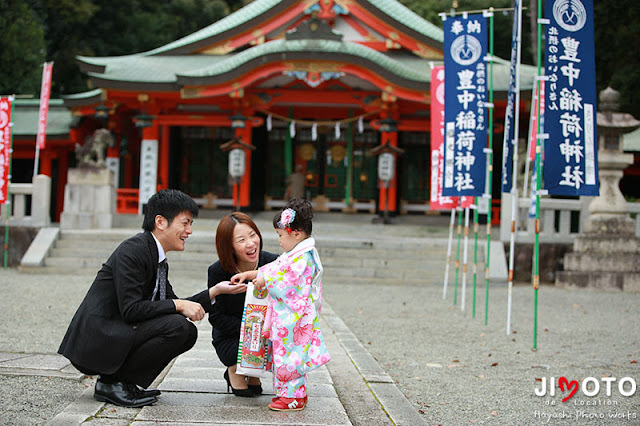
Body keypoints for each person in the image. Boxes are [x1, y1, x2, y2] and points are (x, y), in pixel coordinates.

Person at [58, 189, 244, 408]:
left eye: (190, 224)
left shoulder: (156, 256)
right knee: (179, 328)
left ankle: (123, 383)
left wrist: (215, 291)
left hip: (118, 332)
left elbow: (174, 303)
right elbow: (131, 309)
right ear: (160, 222)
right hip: (99, 339)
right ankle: (112, 383)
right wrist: (178, 305)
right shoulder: (134, 250)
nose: (189, 231)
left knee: (184, 330)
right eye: (185, 223)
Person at [232, 198, 330, 411]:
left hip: (296, 319)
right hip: (290, 318)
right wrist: (252, 274)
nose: (278, 240)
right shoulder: (295, 255)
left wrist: (264, 281)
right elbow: (275, 269)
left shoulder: (304, 258)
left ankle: (294, 396)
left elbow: (289, 284)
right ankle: (289, 394)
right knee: (284, 355)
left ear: (296, 233)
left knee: (291, 356)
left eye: (280, 235)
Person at [207, 212, 278, 397]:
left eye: (253, 235)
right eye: (241, 240)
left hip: (266, 332)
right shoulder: (217, 271)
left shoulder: (273, 263)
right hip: (232, 334)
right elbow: (216, 317)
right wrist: (250, 330)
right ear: (228, 246)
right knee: (242, 350)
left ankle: (253, 371)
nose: (251, 243)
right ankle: (234, 369)